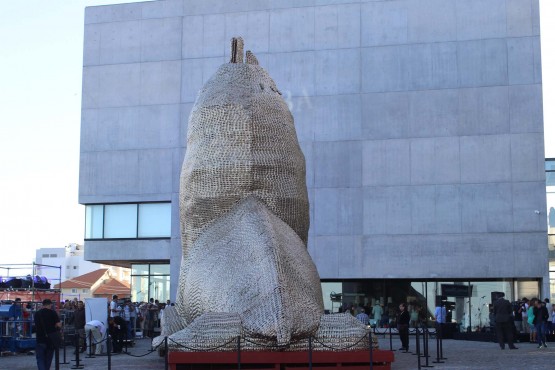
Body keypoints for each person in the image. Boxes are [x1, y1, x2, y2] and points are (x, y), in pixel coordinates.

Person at [34, 299, 62, 370]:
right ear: (50, 304)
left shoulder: (37, 314)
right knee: (48, 358)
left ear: (43, 304)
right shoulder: (53, 313)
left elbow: (36, 325)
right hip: (50, 339)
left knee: (40, 358)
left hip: (40, 339)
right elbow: (58, 325)